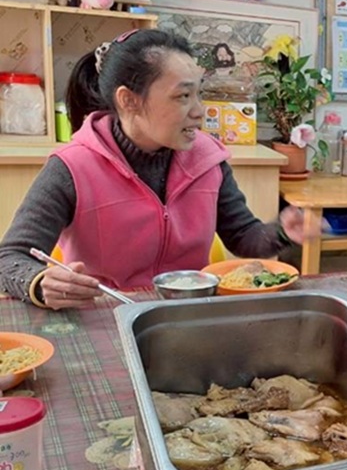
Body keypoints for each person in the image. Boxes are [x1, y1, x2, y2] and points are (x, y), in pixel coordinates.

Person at [0, 29, 311, 310]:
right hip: (106, 315)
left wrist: (282, 231)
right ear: (129, 100)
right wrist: (40, 283)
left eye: (199, 93)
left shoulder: (208, 159)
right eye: (183, 96)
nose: (199, 111)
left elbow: (243, 235)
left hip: (186, 312)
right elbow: (10, 258)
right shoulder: (72, 167)